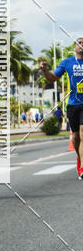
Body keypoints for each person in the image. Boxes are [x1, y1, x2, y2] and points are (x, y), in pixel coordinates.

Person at [39, 37, 83, 179]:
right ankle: (80, 159)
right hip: (73, 104)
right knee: (75, 136)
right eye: (79, 43)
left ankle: (82, 167)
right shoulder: (67, 62)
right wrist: (45, 70)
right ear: (74, 47)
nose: (81, 45)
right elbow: (52, 78)